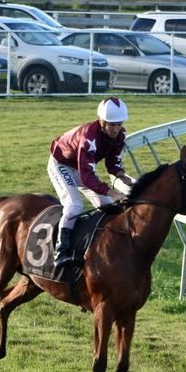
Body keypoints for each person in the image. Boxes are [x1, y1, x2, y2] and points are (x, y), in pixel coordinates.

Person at [47, 97, 135, 271]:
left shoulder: (120, 135)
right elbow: (88, 179)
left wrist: (119, 173)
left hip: (80, 166)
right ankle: (61, 251)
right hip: (61, 164)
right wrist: (115, 193)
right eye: (112, 125)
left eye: (119, 124)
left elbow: (112, 162)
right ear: (102, 122)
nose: (116, 129)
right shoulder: (89, 138)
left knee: (106, 205)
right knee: (74, 206)